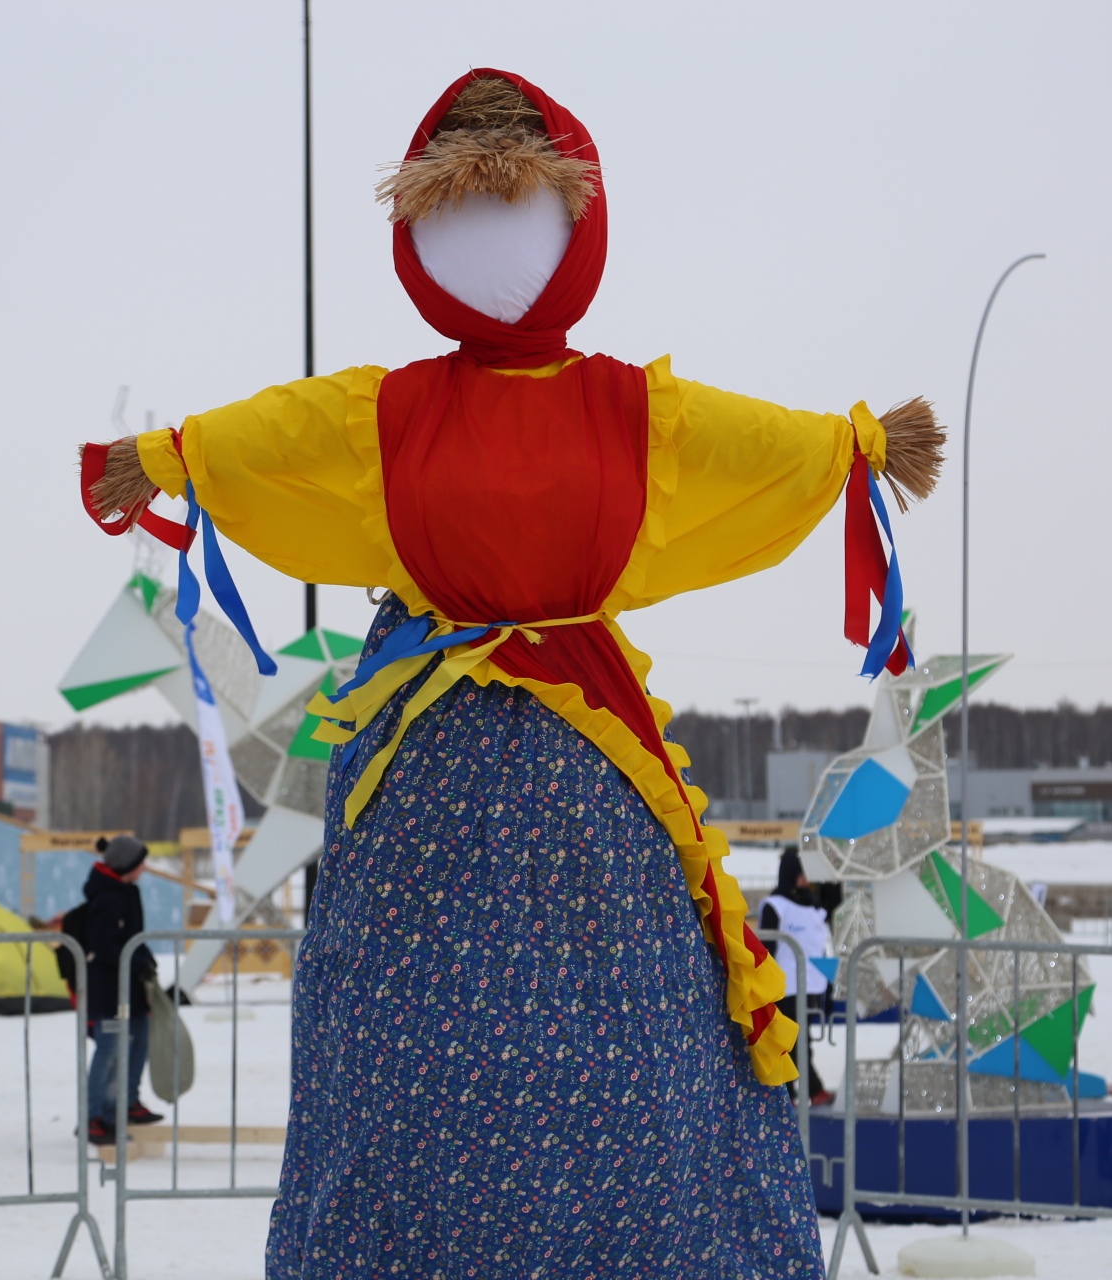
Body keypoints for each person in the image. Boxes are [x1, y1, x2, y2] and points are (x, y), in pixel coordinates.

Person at [78, 69, 939, 1278]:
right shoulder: (518, 414)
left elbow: (274, 437)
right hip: (505, 754)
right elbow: (271, 439)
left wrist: (161, 459)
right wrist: (168, 457)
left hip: (503, 755)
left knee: (556, 1010)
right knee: (500, 1016)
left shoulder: (502, 413)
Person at [81, 834, 161, 1144]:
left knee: (139, 1038)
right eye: (140, 863)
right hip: (110, 988)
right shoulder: (107, 898)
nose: (143, 868)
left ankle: (126, 1103)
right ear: (126, 865)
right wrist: (135, 960)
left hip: (131, 983)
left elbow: (132, 936)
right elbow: (103, 946)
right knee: (110, 1050)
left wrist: (144, 959)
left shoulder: (126, 892)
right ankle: (96, 1114)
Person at [760, 849, 834, 1105]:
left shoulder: (814, 908)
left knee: (797, 1040)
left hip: (809, 986)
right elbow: (767, 947)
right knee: (793, 1040)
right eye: (802, 875)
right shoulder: (776, 906)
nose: (806, 881)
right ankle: (811, 1091)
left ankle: (789, 1095)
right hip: (785, 986)